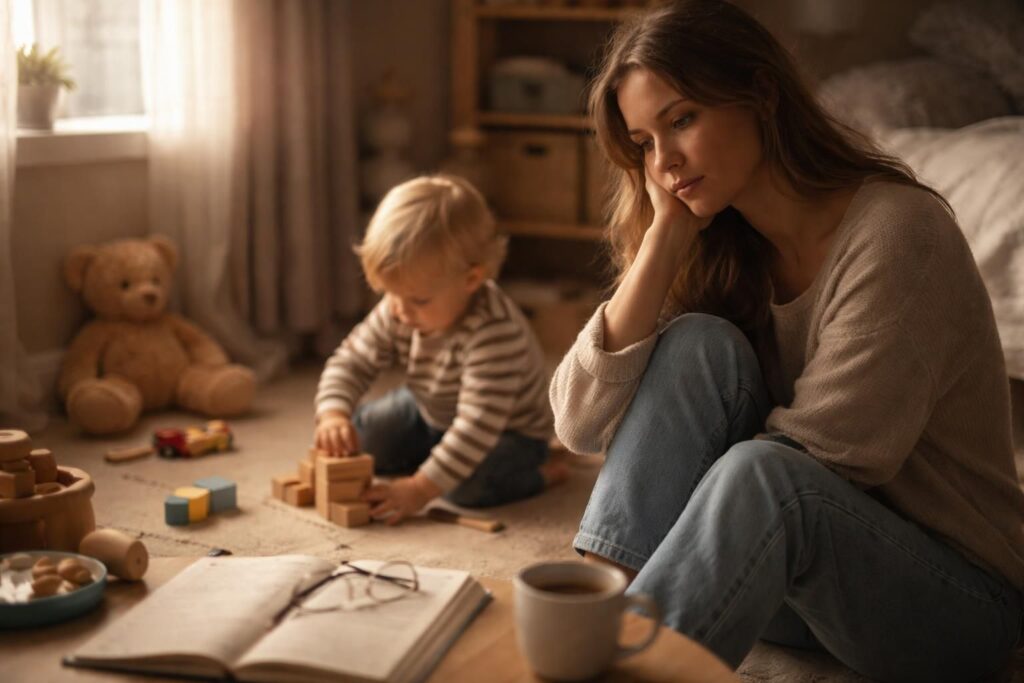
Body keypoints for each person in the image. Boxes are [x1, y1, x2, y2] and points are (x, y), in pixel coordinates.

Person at [549, 1, 1024, 680]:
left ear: (761, 94)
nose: (666, 162)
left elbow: (824, 461)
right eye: (645, 143)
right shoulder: (722, 243)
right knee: (696, 346)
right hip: (795, 578)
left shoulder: (897, 232)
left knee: (767, 475)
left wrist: (696, 509)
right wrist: (661, 241)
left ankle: (626, 670)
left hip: (953, 602)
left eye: (682, 119)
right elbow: (576, 421)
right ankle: (595, 622)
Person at [314, 174, 563, 525]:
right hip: (430, 408)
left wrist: (418, 488)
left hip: (505, 432)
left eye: (417, 299)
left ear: (471, 280)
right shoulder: (400, 306)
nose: (399, 310)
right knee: (362, 436)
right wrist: (333, 413)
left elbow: (475, 428)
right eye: (390, 293)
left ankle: (543, 472)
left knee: (466, 490)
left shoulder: (494, 333)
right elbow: (353, 359)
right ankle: (433, 458)